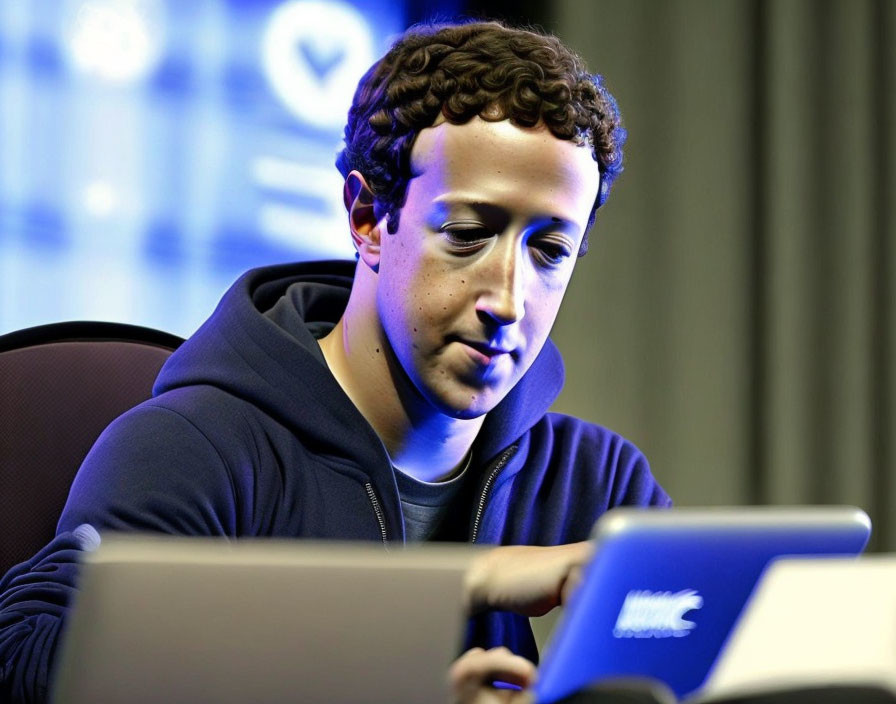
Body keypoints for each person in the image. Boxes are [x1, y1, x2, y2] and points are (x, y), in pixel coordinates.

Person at [0, 19, 670, 703]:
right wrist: (459, 589)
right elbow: (29, 668)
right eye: (468, 234)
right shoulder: (191, 449)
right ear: (368, 215)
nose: (508, 298)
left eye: (550, 250)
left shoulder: (599, 483)